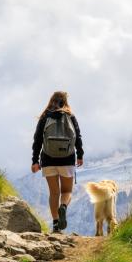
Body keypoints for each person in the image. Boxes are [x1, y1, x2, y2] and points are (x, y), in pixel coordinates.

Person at [31, 91, 84, 233]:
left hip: (48, 160)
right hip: (67, 159)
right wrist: (80, 155)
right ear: (65, 101)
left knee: (54, 193)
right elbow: (77, 137)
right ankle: (64, 207)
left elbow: (37, 140)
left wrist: (35, 161)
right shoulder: (70, 116)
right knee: (66, 191)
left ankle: (55, 225)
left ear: (51, 101)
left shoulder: (45, 117)